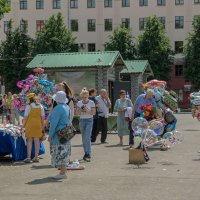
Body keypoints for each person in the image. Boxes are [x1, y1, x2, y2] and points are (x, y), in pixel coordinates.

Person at [48, 91, 71, 179]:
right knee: (64, 152)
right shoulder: (67, 107)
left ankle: (62, 173)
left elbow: (53, 124)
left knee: (59, 152)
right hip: (66, 131)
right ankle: (63, 172)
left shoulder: (57, 108)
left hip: (58, 133)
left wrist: (50, 136)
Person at [22, 93, 45, 163]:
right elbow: (42, 117)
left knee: (29, 140)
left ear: (29, 99)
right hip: (38, 124)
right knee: (37, 140)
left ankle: (28, 157)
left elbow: (25, 117)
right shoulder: (40, 106)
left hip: (30, 124)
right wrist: (42, 127)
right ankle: (36, 157)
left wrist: (23, 126)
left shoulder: (28, 106)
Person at [76, 88, 95, 162]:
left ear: (88, 96)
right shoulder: (79, 103)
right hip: (82, 120)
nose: (84, 99)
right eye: (83, 97)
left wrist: (87, 110)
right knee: (84, 138)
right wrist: (81, 109)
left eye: (86, 97)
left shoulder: (91, 102)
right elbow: (77, 113)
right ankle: (86, 153)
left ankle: (88, 154)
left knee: (87, 137)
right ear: (81, 96)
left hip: (89, 120)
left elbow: (93, 113)